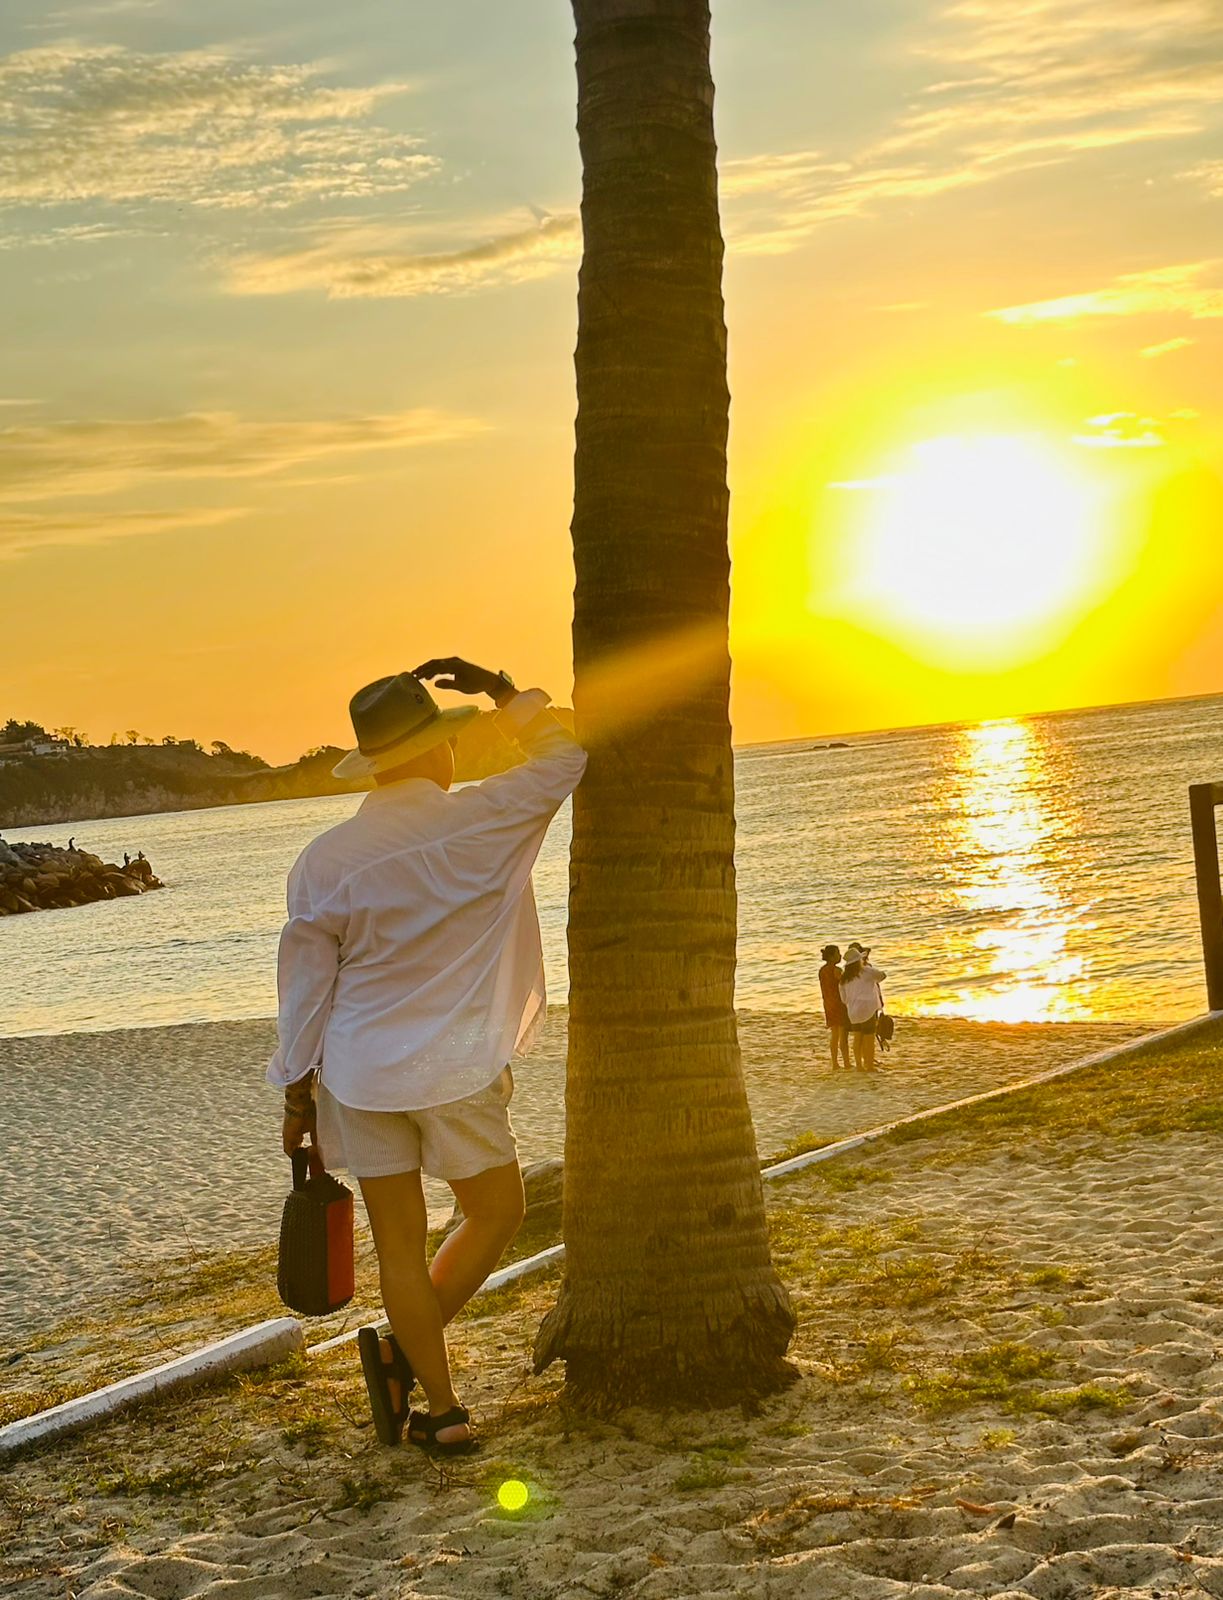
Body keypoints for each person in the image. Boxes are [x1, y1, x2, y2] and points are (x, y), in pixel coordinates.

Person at [269, 656, 585, 1455]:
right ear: (439, 749)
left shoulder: (324, 859)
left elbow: (306, 992)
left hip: (357, 1071)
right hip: (451, 1068)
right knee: (496, 1212)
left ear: (375, 763)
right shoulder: (484, 816)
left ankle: (441, 1408)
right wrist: (504, 693)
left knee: (398, 1246)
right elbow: (567, 756)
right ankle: (402, 1357)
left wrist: (295, 1097)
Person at [839, 941, 887, 1072]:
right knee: (869, 1038)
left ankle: (859, 1066)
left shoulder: (844, 978)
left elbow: (843, 999)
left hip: (853, 1011)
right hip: (867, 1009)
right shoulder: (865, 971)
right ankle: (869, 1066)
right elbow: (882, 975)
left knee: (857, 1037)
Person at [818, 944, 851, 1069]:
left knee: (834, 1034)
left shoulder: (822, 970)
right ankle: (846, 1062)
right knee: (843, 1034)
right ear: (832, 957)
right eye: (838, 953)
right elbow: (845, 983)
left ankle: (835, 1063)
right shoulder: (836, 970)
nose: (840, 955)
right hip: (839, 1003)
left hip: (828, 1003)